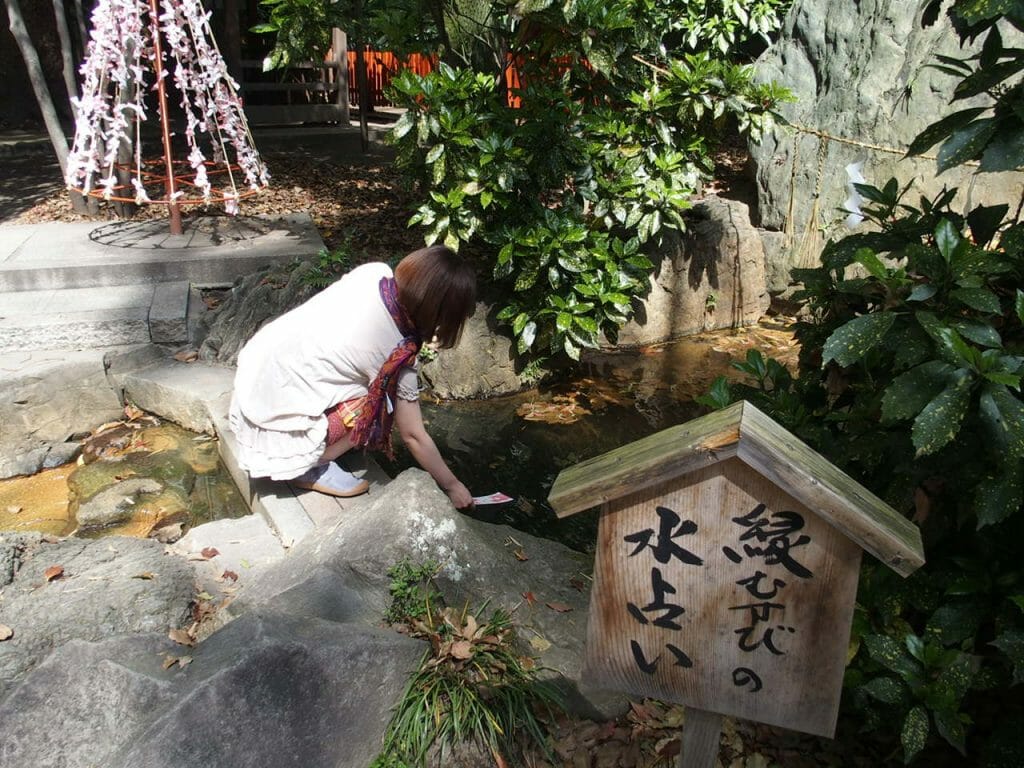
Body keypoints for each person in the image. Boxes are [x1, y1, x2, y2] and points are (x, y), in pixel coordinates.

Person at [228, 245, 477, 509]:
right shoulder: (396, 352)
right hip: (276, 421)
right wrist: (453, 486)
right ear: (440, 313)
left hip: (255, 374)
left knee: (368, 380)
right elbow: (413, 435)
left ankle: (318, 443)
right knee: (381, 395)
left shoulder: (374, 273)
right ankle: (312, 465)